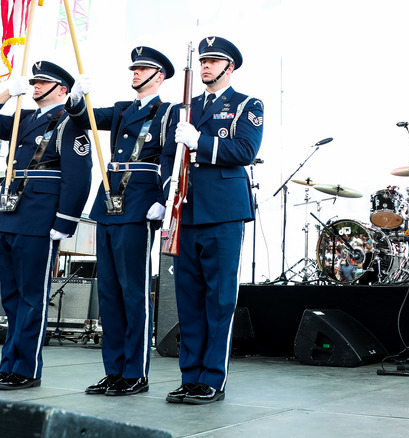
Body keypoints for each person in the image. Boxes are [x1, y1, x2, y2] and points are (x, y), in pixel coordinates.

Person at [66, 46, 175, 396]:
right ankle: (113, 370)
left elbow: (172, 157)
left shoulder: (170, 112)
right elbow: (85, 120)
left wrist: (163, 199)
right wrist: (76, 97)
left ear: (159, 76)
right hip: (110, 202)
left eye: (143, 70)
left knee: (134, 292)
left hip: (140, 203)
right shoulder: (122, 109)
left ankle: (135, 373)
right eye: (134, 69)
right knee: (109, 293)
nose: (135, 74)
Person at [160, 36, 263, 405]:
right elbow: (167, 157)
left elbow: (245, 151)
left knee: (219, 300)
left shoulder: (247, 105)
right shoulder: (182, 109)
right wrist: (166, 191)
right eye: (203, 60)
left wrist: (200, 140)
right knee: (188, 299)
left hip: (222, 211)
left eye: (214, 61)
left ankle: (212, 379)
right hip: (186, 209)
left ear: (229, 67)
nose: (206, 66)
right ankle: (190, 377)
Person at [0, 61, 91, 390]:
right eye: (34, 82)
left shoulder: (70, 122)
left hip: (40, 219)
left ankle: (26, 368)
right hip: (10, 215)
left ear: (62, 89)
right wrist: (9, 91)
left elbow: (79, 176)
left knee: (32, 297)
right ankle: (8, 362)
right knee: (10, 297)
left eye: (43, 83)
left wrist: (64, 220)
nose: (36, 87)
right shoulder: (24, 118)